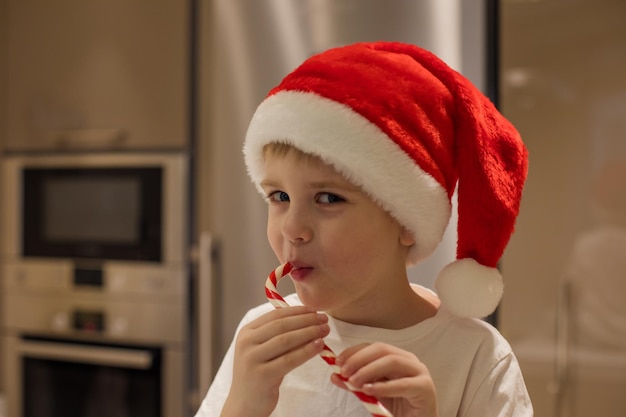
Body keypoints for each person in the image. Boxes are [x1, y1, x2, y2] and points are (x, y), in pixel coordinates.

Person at [195, 41, 532, 417]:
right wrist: (243, 405)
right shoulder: (262, 337)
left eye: (328, 199)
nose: (292, 227)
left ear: (405, 220)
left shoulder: (476, 358)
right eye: (279, 195)